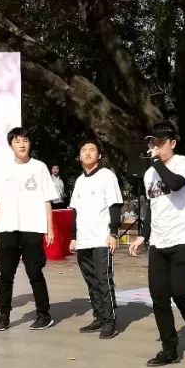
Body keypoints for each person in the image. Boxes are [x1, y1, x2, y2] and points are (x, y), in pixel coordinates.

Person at [129, 121, 185, 368]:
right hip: (159, 242)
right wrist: (144, 235)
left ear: (172, 143)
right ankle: (169, 349)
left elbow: (175, 184)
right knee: (159, 297)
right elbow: (152, 208)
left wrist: (156, 162)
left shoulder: (183, 163)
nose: (156, 147)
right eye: (153, 143)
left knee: (181, 292)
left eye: (161, 143)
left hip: (184, 239)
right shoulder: (149, 175)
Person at [0, 127, 58, 331]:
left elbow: (47, 201)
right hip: (7, 228)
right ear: (11, 144)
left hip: (32, 227)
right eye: (17, 141)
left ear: (30, 144)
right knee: (5, 275)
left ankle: (44, 315)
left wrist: (50, 228)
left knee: (35, 272)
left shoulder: (39, 167)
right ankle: (4, 316)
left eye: (25, 140)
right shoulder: (3, 169)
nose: (22, 144)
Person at [68, 138, 124, 339]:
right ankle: (99, 317)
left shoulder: (107, 176)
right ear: (79, 156)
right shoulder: (79, 181)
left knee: (103, 280)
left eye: (92, 149)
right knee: (91, 281)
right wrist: (73, 237)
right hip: (84, 240)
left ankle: (110, 322)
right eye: (84, 150)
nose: (87, 153)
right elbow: (75, 211)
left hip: (101, 238)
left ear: (99, 155)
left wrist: (113, 233)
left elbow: (114, 205)